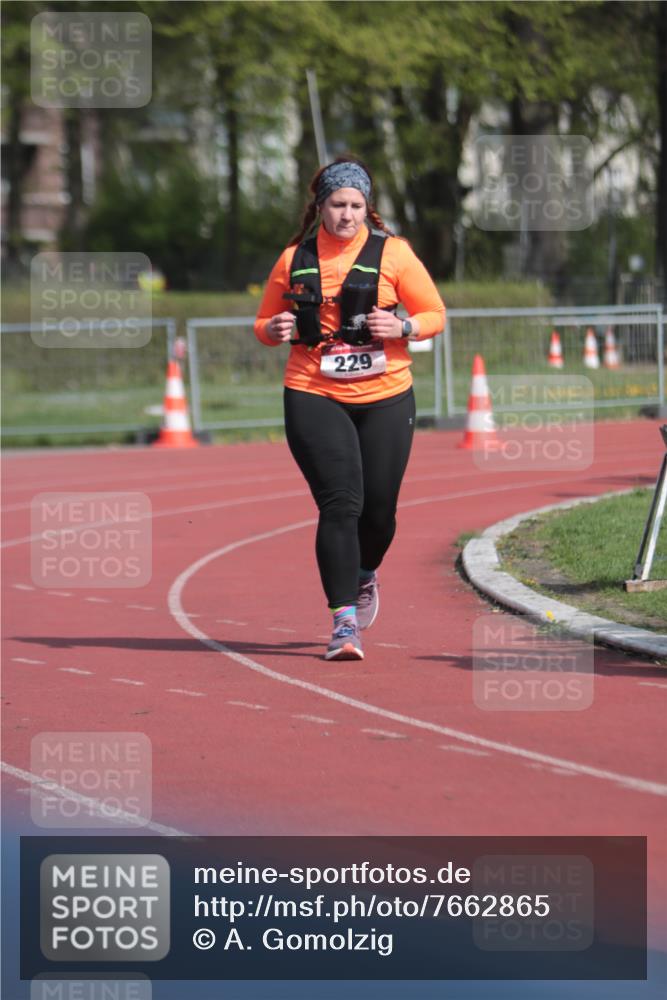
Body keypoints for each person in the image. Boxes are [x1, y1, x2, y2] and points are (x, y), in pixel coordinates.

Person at [254, 156, 445, 661]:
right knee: (340, 505)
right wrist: (272, 331)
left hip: (386, 394)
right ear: (320, 207)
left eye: (356, 205)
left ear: (368, 207)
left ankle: (364, 574)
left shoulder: (395, 254)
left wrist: (403, 328)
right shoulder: (294, 257)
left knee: (379, 512)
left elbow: (434, 313)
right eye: (338, 204)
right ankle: (343, 623)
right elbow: (265, 322)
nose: (347, 215)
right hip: (313, 391)